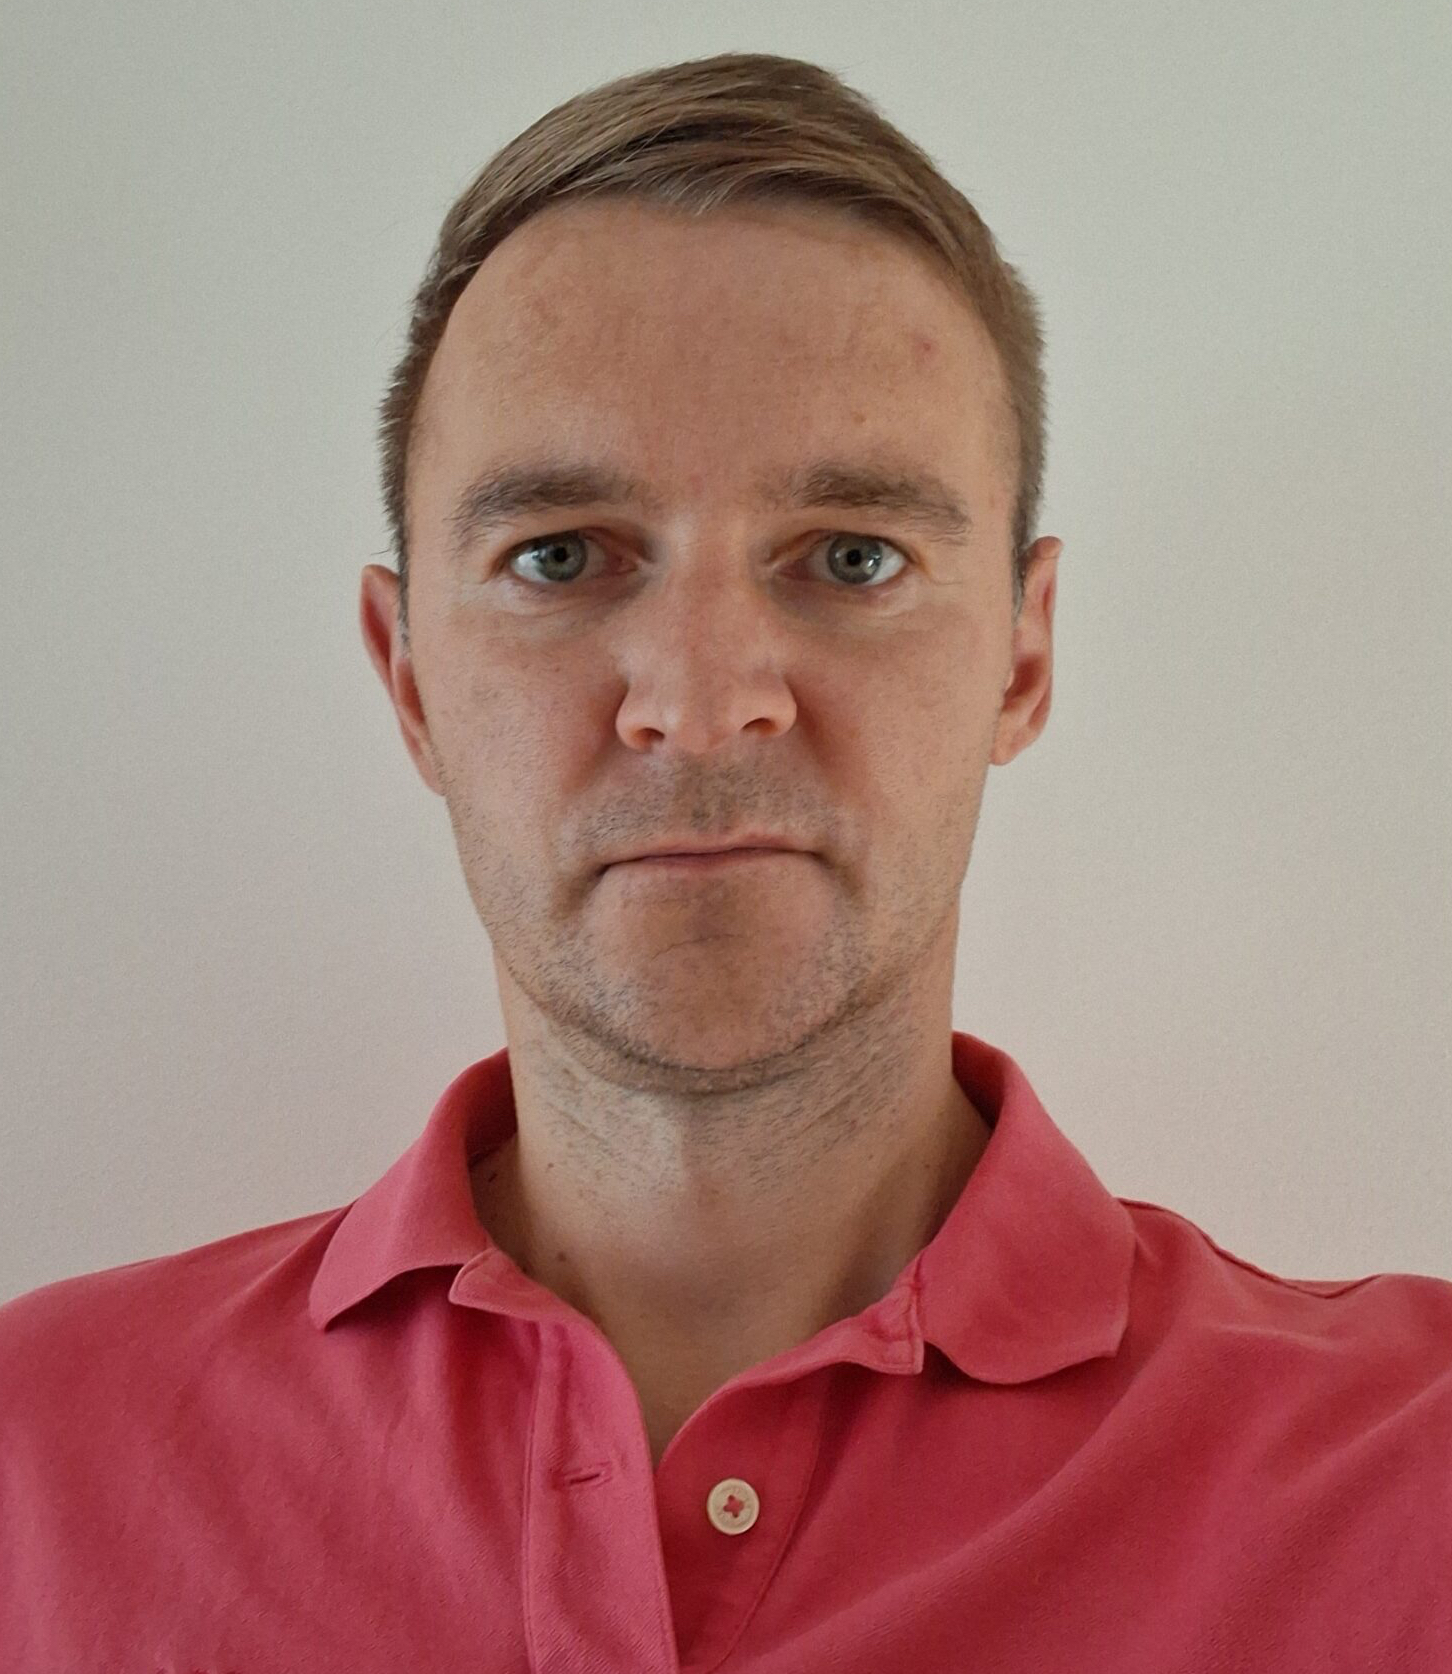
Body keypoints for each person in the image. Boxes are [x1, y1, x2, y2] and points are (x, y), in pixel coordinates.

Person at [2, 49, 1448, 1673]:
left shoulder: (1417, 1482)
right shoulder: (35, 1473)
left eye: (853, 557)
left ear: (1024, 656)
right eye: (560, 556)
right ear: (408, 678)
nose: (698, 707)